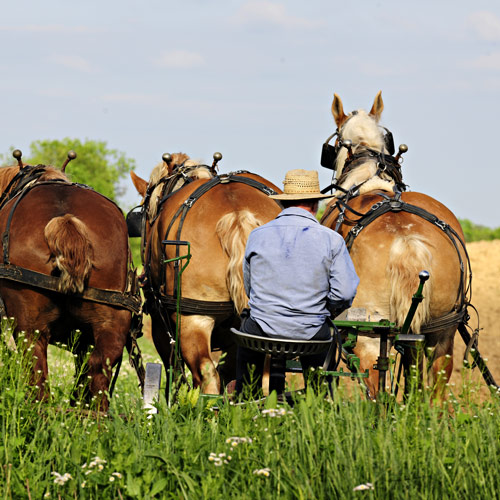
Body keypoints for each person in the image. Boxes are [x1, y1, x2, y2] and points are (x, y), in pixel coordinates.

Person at [235, 169, 359, 397]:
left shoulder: (258, 235)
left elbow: (250, 287)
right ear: (314, 204)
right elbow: (344, 293)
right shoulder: (332, 239)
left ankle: (245, 403)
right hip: (311, 332)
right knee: (325, 344)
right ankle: (316, 401)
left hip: (262, 329)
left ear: (284, 205)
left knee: (247, 339)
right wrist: (325, 309)